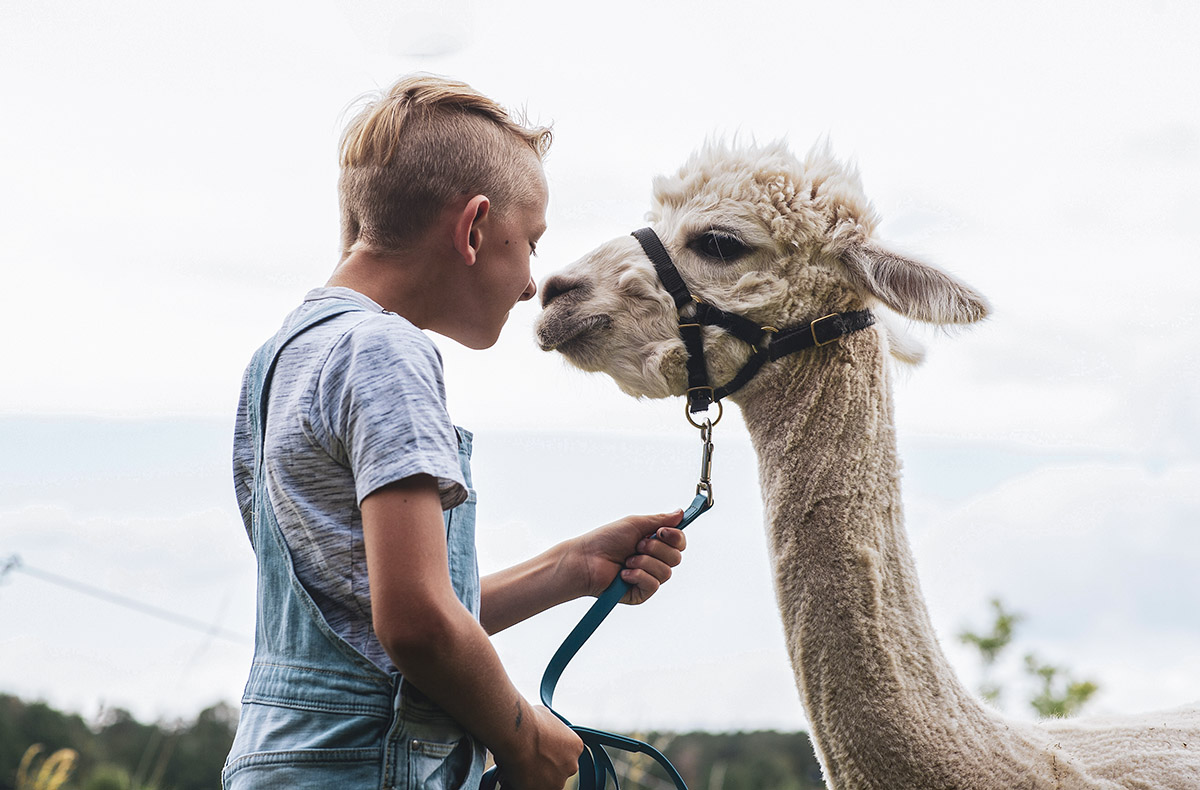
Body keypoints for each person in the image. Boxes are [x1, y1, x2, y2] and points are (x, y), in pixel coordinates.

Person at [223, 74, 688, 790]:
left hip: (283, 760)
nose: (532, 283)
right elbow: (414, 626)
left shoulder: (280, 358)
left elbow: (369, 616)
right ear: (473, 228)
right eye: (529, 243)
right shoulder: (387, 352)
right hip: (372, 766)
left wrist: (570, 569)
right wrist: (526, 739)